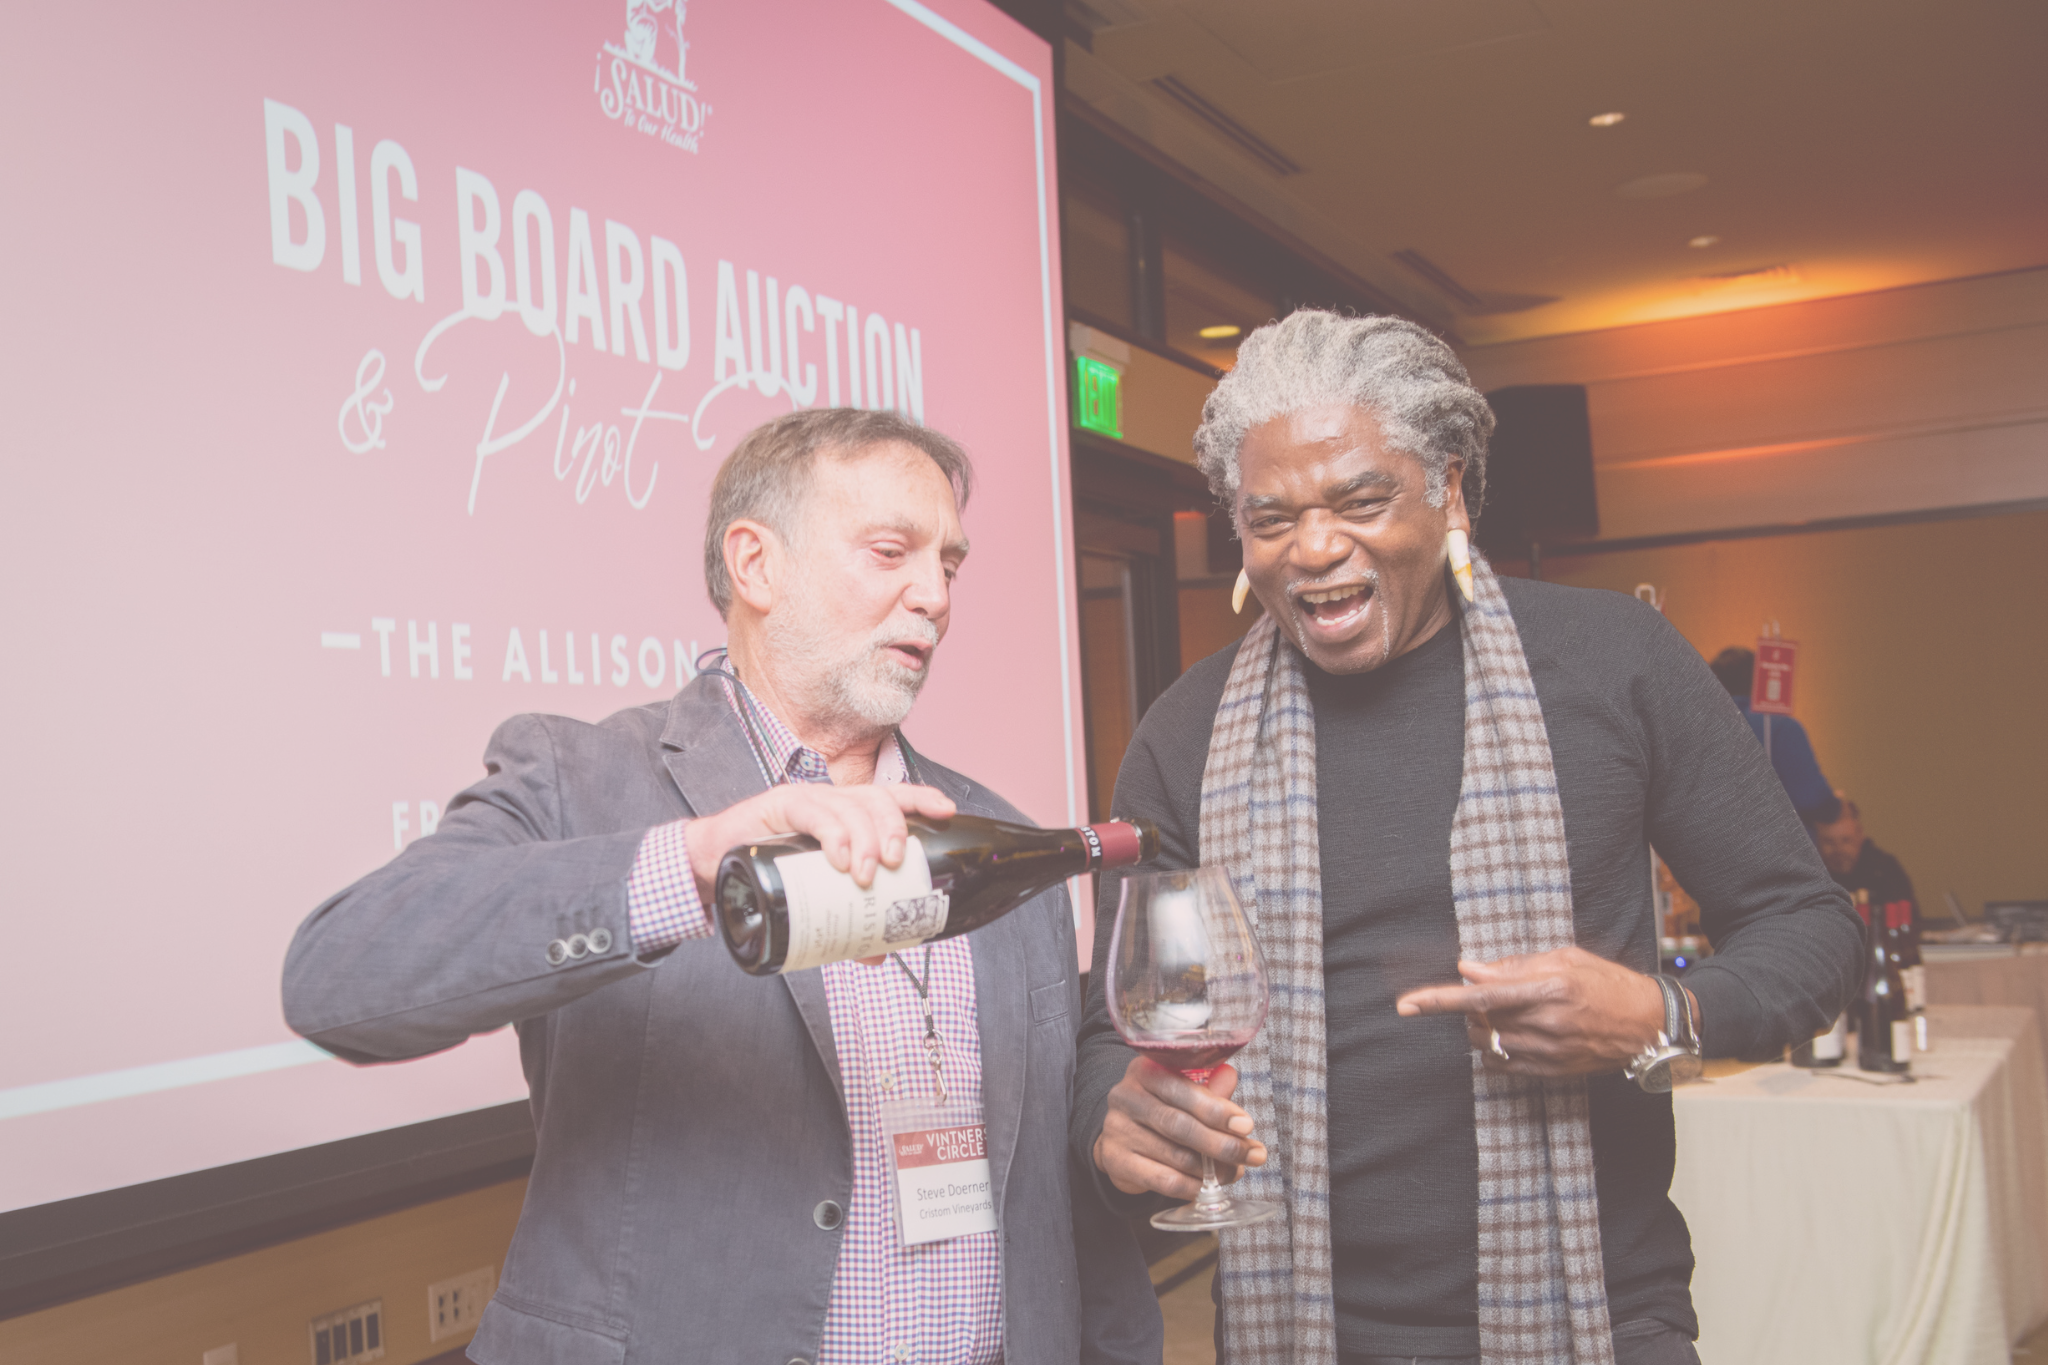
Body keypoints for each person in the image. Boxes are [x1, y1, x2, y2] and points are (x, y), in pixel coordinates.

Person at [284, 409, 1161, 1365]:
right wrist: (693, 865)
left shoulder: (989, 829)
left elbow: (1061, 1196)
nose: (935, 595)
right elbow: (339, 977)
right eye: (890, 551)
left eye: (949, 563)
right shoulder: (581, 778)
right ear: (756, 565)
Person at [1074, 311, 1863, 1365]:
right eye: (1270, 519)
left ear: (1445, 488)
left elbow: (1809, 929)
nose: (1313, 548)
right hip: (1296, 1332)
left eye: (1359, 500)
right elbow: (1111, 1034)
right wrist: (1111, 1126)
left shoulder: (1610, 662)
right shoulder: (1186, 729)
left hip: (1600, 1319)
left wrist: (1657, 1012)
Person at [1707, 647, 1842, 828]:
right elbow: (1812, 799)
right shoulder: (1781, 728)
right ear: (1762, 678)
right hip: (1777, 849)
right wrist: (1836, 805)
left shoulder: (1702, 730)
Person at [1814, 796, 1921, 931]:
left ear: (1860, 836)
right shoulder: (1810, 875)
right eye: (1829, 842)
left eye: (1846, 840)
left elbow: (1909, 921)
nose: (1838, 850)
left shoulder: (1885, 870)